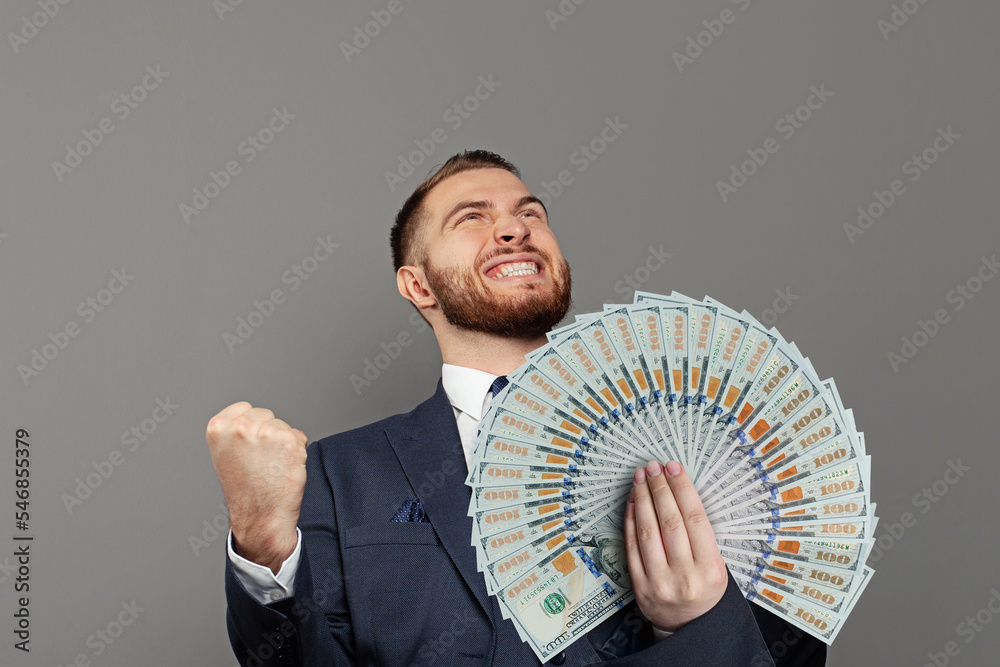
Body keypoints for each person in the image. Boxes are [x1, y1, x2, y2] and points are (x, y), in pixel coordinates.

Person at [205, 150, 827, 666]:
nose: (514, 228)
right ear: (418, 285)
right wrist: (260, 544)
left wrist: (699, 623)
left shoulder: (700, 435)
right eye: (471, 218)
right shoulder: (339, 474)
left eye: (530, 213)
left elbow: (796, 652)